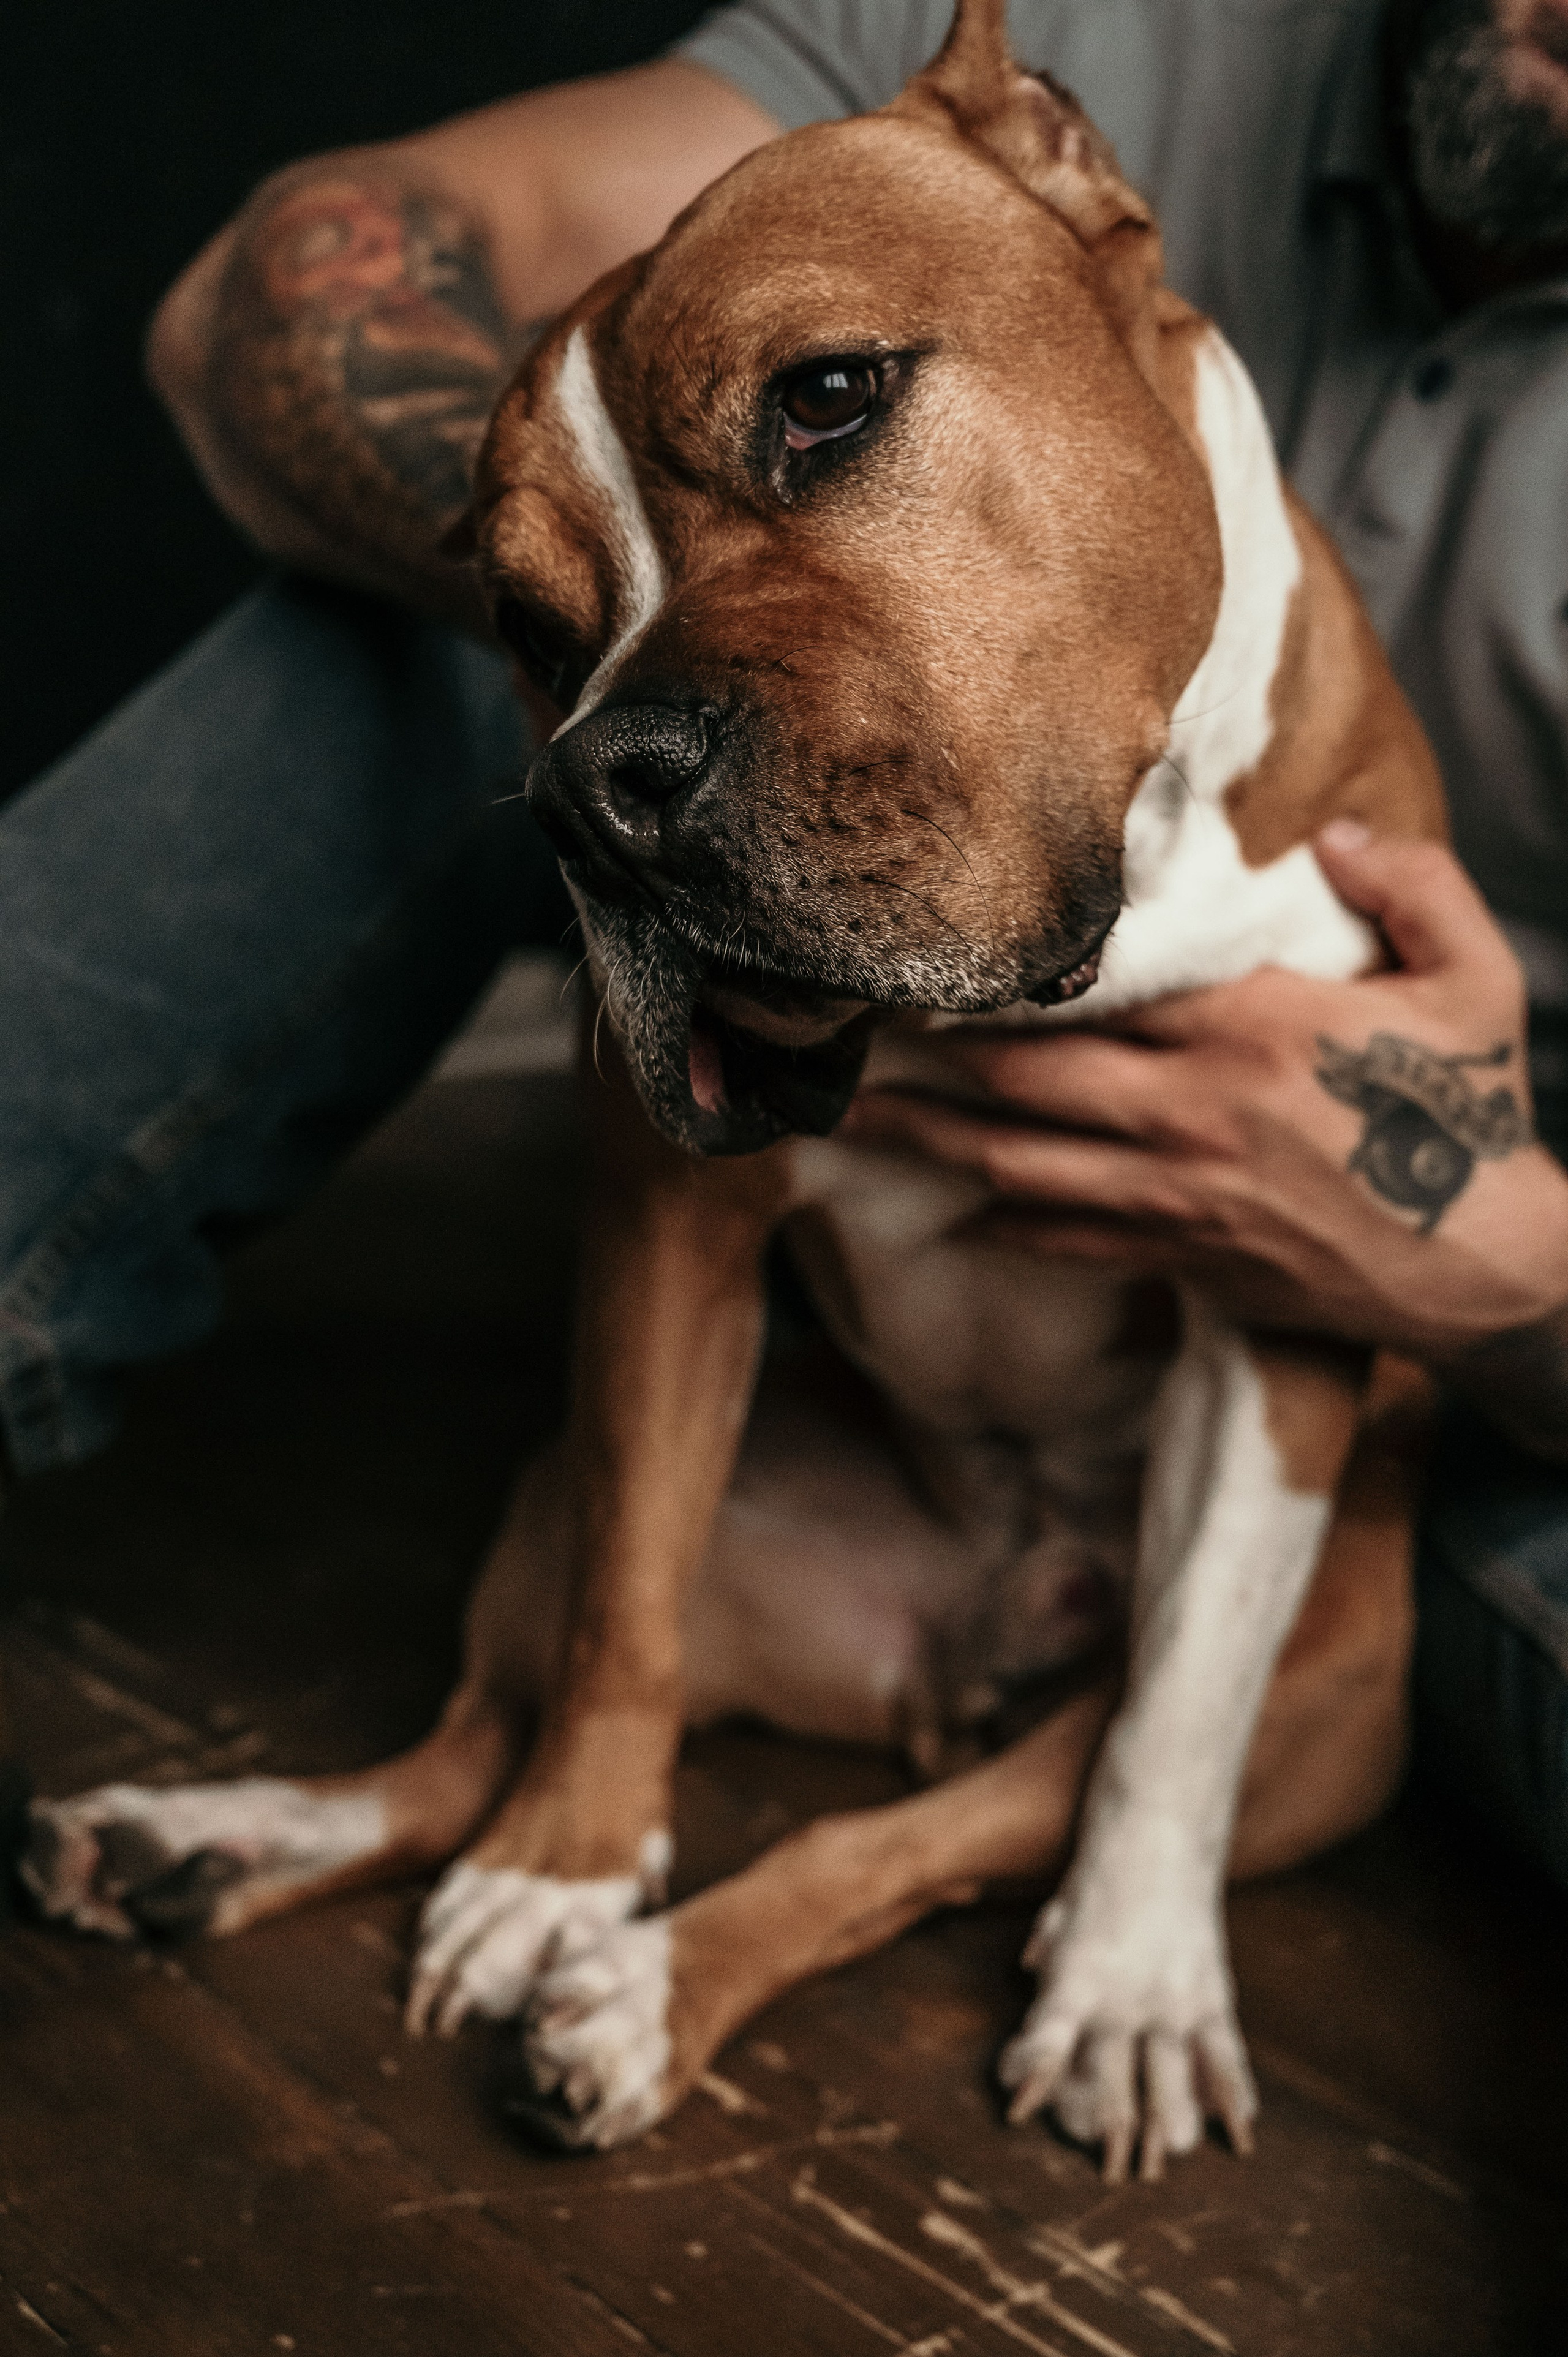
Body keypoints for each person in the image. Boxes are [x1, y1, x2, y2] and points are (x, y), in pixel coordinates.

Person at [3, 0, 1567, 1879]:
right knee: (410, 669)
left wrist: (1501, 1263)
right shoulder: (1063, 50)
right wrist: (606, 581)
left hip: (1478, 1329)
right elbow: (265, 294)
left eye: (830, 408)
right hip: (883, 1285)